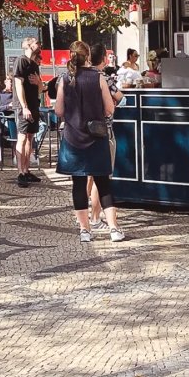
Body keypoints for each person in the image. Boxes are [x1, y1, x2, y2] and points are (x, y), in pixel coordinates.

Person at [55, 41, 125, 243]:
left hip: (73, 139)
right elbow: (110, 108)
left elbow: (58, 111)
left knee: (78, 184)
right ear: (87, 57)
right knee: (103, 183)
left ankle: (85, 231)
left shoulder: (65, 78)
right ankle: (114, 229)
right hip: (96, 137)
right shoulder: (98, 77)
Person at [88, 42, 125, 228]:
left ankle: (86, 215)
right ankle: (95, 218)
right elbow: (120, 99)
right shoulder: (105, 79)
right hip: (103, 131)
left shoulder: (79, 77)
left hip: (82, 133)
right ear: (104, 58)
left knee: (88, 175)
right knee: (101, 177)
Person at [13, 36, 43, 188]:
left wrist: (38, 82)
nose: (39, 45)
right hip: (23, 106)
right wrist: (24, 106)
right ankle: (20, 173)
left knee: (30, 138)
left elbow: (41, 88)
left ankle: (26, 170)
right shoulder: (21, 61)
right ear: (29, 45)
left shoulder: (34, 64)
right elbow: (18, 84)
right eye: (37, 42)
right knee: (22, 137)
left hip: (34, 105)